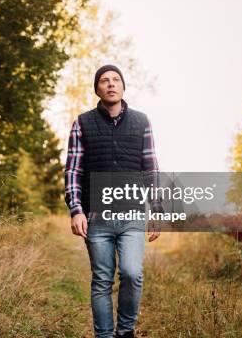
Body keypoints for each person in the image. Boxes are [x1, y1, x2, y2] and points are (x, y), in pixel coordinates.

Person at [64, 64, 163, 338]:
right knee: (102, 280)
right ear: (97, 88)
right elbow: (73, 170)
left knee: (132, 273)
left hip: (132, 215)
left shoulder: (142, 121)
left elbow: (151, 168)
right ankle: (105, 335)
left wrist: (156, 208)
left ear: (123, 86)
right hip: (96, 218)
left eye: (115, 80)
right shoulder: (82, 123)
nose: (110, 84)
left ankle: (125, 331)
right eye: (104, 80)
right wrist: (76, 209)